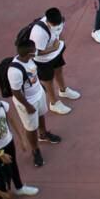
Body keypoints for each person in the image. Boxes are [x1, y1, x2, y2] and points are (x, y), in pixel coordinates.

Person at [7, 39, 62, 167]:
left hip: (38, 93)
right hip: (27, 101)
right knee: (30, 127)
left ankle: (43, 134)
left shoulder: (29, 59)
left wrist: (40, 87)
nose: (36, 52)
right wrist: (28, 106)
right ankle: (35, 150)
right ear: (28, 55)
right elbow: (16, 92)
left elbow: (33, 75)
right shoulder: (14, 71)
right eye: (34, 51)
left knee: (42, 114)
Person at [0, 91, 39, 197]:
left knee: (13, 165)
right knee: (3, 171)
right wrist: (0, 154)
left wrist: (22, 138)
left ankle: (19, 187)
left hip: (8, 141)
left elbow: (12, 120)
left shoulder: (2, 106)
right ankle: (5, 193)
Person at [28, 8, 80, 115]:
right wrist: (54, 48)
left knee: (59, 70)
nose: (58, 26)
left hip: (56, 54)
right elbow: (35, 53)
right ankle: (53, 103)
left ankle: (63, 90)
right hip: (43, 60)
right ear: (47, 21)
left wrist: (60, 42)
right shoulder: (39, 33)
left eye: (59, 24)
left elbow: (59, 33)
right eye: (55, 24)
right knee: (48, 81)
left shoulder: (60, 21)